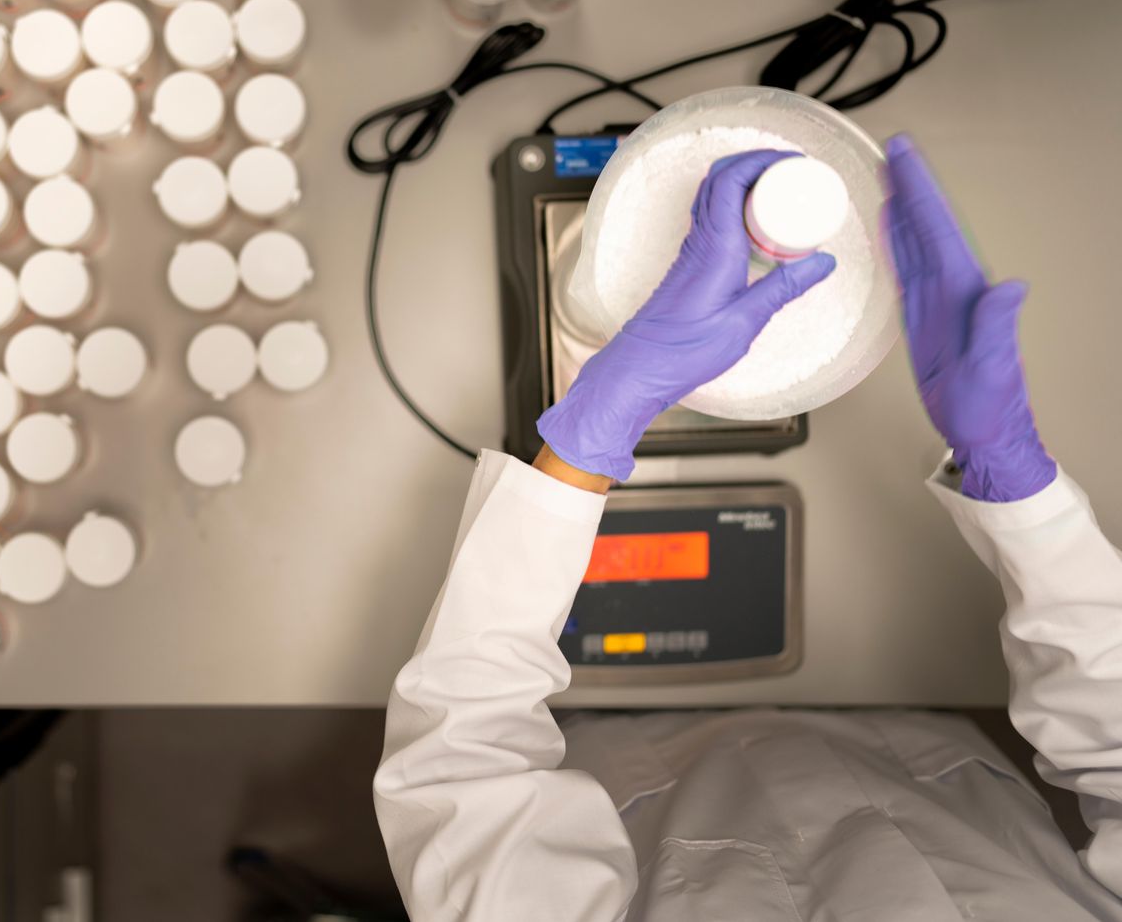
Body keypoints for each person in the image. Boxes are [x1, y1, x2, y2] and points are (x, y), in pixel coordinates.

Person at [373, 137, 1122, 920]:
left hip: (632, 760)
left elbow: (462, 769)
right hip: (928, 751)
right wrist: (1014, 480)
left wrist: (587, 434)